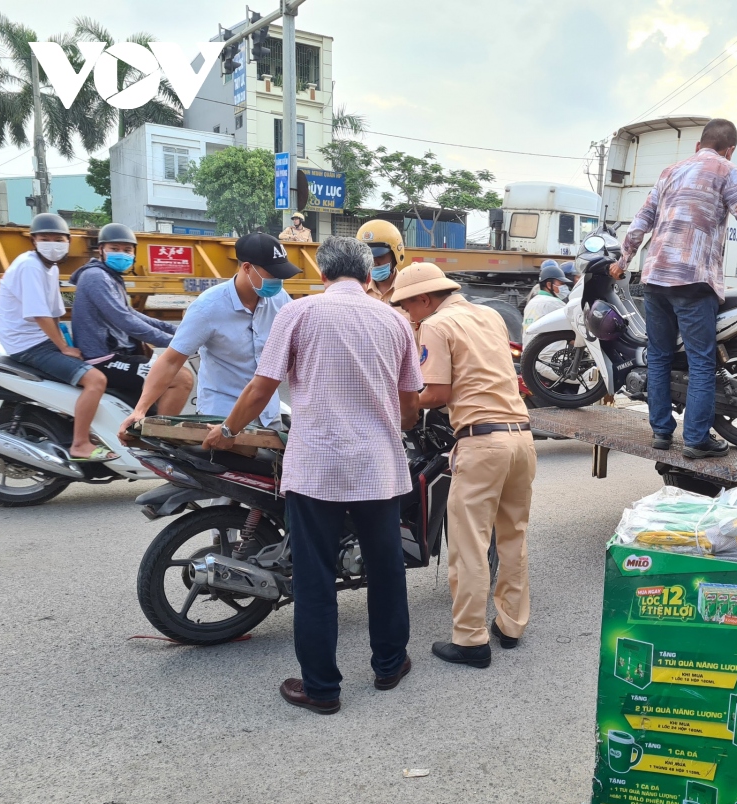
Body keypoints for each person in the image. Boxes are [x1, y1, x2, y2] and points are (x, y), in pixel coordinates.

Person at [201, 237, 422, 714]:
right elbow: (410, 405)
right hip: (378, 468)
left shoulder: (298, 313)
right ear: (368, 277)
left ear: (322, 275)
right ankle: (389, 665)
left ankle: (321, 689)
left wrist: (226, 430)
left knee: (315, 577)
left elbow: (263, 387)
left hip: (316, 466)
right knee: (386, 570)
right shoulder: (395, 320)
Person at [609, 117, 737, 459]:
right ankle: (696, 440)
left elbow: (642, 220)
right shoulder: (726, 170)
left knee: (660, 358)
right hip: (693, 280)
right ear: (730, 150)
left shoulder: (670, 171)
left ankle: (662, 433)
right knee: (701, 362)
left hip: (655, 278)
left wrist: (623, 260)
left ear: (699, 145)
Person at [392, 262, 536, 669]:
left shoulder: (437, 325)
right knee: (513, 536)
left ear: (425, 298)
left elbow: (437, 392)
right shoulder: (488, 314)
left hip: (481, 442)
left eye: (407, 306)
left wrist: (401, 400)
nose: (407, 314)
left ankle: (471, 640)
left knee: (470, 543)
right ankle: (511, 625)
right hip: (521, 437)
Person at [118, 233, 301, 437]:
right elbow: (171, 361)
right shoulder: (208, 308)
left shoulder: (280, 300)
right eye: (273, 274)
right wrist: (140, 410)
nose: (278, 281)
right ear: (247, 268)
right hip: (220, 416)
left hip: (268, 414)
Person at [0, 213, 113, 461]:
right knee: (96, 381)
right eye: (44, 238)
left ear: (67, 241)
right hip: (28, 345)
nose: (52, 243)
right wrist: (64, 348)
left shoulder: (50, 267)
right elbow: (39, 314)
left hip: (37, 340)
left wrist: (65, 344)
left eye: (58, 238)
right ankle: (80, 444)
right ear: (33, 241)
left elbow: (56, 313)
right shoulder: (30, 266)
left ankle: (84, 429)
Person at [69, 222, 193, 413]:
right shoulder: (96, 277)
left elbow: (131, 314)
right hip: (103, 359)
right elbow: (124, 320)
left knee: (162, 381)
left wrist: (178, 331)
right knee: (181, 378)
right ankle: (160, 438)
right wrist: (174, 342)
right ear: (101, 250)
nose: (122, 253)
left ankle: (147, 427)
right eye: (114, 249)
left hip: (117, 354)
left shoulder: (110, 277)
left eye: (127, 250)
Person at [356, 219, 406, 302]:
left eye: (380, 256)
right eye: (367, 257)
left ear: (395, 256)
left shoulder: (409, 290)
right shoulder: (358, 292)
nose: (373, 263)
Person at [521, 260, 570, 346]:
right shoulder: (554, 303)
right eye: (561, 283)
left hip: (529, 355)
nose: (564, 287)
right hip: (551, 356)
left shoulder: (532, 302)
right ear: (548, 285)